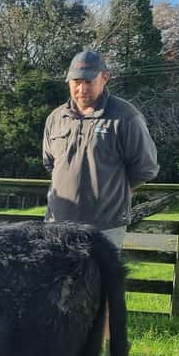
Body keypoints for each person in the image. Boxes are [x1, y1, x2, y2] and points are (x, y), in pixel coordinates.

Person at [43, 49, 159, 249]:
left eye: (88, 81)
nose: (82, 88)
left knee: (101, 272)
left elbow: (145, 168)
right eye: (76, 81)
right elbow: (49, 163)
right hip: (57, 224)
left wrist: (115, 193)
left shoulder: (126, 116)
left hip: (106, 228)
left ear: (104, 78)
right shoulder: (55, 118)